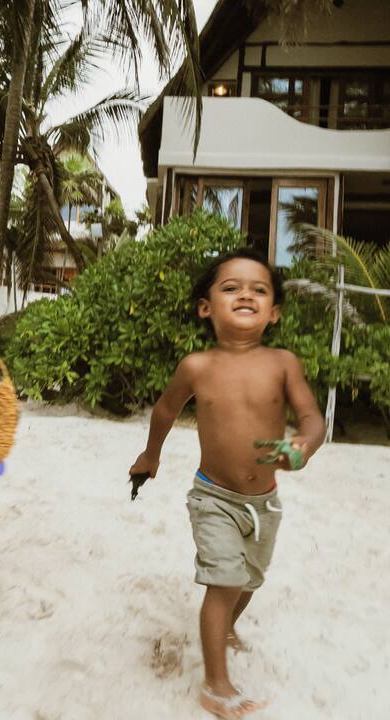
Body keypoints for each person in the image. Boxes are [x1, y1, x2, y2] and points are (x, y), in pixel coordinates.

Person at [129, 247, 326, 719]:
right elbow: (164, 410)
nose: (246, 295)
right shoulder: (197, 366)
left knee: (250, 580)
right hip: (213, 497)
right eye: (231, 287)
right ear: (206, 307)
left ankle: (228, 629)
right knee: (224, 583)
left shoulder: (283, 363)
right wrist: (150, 454)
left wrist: (303, 445)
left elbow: (312, 418)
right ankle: (216, 684)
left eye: (259, 290)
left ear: (273, 312)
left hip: (265, 502)